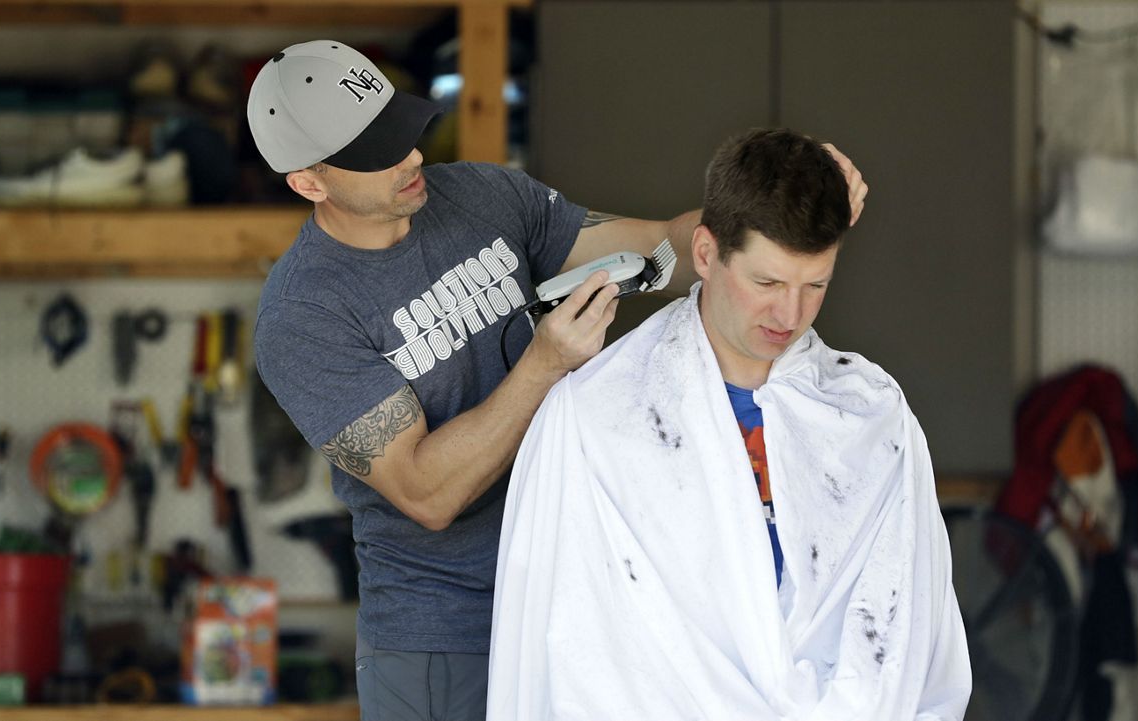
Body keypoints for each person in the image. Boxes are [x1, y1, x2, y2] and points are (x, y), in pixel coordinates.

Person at [247, 41, 867, 720]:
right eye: (377, 152)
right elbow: (426, 491)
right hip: (446, 641)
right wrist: (544, 365)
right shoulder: (303, 315)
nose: (412, 158)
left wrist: (783, 206)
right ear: (310, 182)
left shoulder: (483, 196)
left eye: (404, 131)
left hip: (573, 602)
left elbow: (666, 244)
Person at [487, 128, 969, 720]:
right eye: (766, 283)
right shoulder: (599, 415)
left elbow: (912, 633)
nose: (789, 313)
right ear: (706, 254)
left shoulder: (870, 414)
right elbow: (572, 658)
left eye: (815, 285)